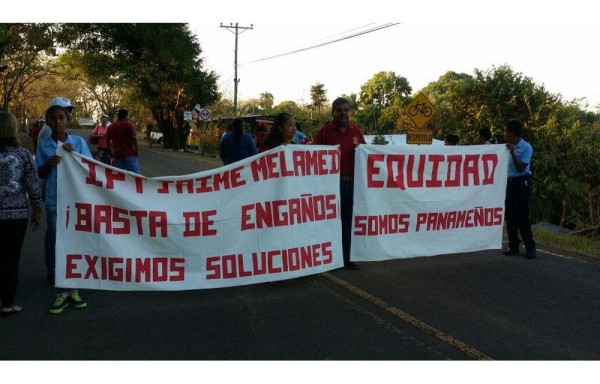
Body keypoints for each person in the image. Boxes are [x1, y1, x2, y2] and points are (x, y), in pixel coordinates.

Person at [36, 100, 93, 314]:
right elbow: (39, 173)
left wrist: (74, 155)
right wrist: (48, 163)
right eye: (53, 118)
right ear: (48, 121)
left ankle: (73, 276)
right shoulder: (43, 146)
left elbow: (90, 168)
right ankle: (54, 271)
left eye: (61, 118)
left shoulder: (78, 143)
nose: (57, 122)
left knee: (74, 236)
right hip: (53, 198)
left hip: (75, 198)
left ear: (68, 120)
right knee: (55, 236)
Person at [314, 97, 366, 270]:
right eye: (339, 110)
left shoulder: (355, 130)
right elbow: (314, 156)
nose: (343, 113)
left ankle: (347, 258)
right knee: (331, 222)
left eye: (346, 109)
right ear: (333, 112)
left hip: (352, 184)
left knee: (348, 222)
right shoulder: (325, 131)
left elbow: (366, 154)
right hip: (331, 185)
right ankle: (330, 258)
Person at [0, 112, 43, 317]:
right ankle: (7, 303)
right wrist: (37, 211)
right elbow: (33, 186)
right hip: (15, 215)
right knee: (10, 258)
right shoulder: (24, 155)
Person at [503, 120, 536, 259]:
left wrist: (512, 152)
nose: (504, 134)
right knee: (510, 215)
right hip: (510, 182)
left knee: (522, 216)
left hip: (522, 182)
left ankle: (530, 248)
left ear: (512, 133)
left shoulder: (526, 147)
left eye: (506, 131)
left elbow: (521, 167)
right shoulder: (505, 147)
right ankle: (513, 245)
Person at [106, 108, 139, 173]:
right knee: (134, 175)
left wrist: (109, 151)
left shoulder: (111, 126)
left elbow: (107, 140)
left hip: (117, 155)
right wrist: (136, 150)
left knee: (120, 176)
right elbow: (134, 138)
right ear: (126, 115)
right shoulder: (129, 125)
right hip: (129, 154)